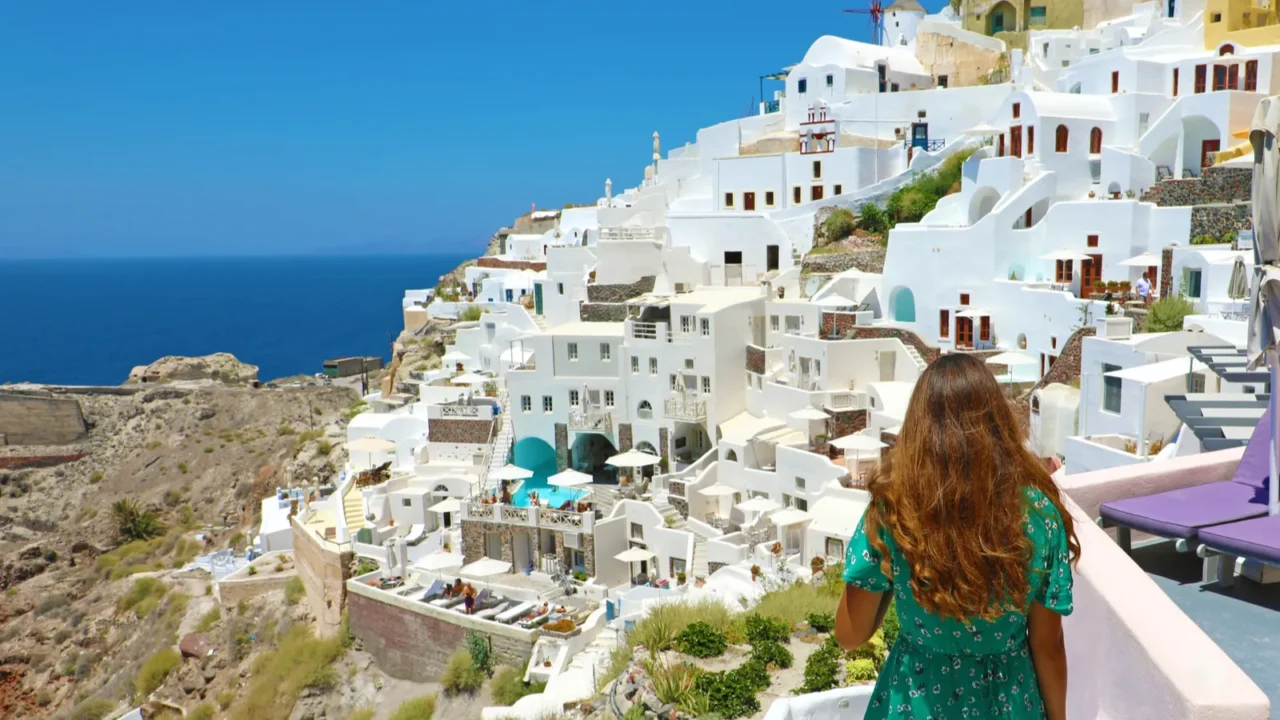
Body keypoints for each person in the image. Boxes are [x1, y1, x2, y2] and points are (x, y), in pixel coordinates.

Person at [835, 354, 1079, 720]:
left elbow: (850, 635)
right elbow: (1048, 647)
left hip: (914, 702)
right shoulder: (1038, 516)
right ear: (998, 423)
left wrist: (893, 577)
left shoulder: (895, 512)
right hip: (1007, 703)